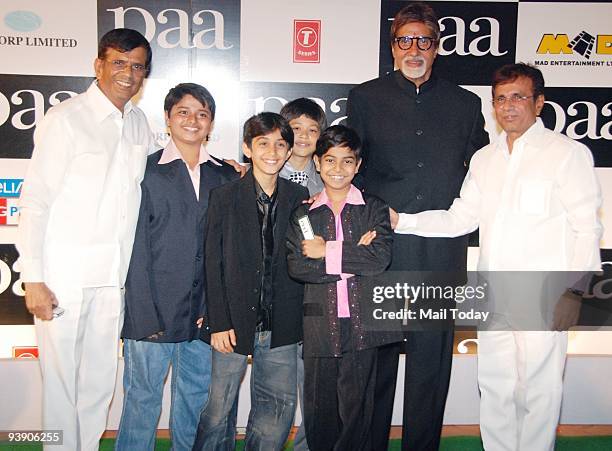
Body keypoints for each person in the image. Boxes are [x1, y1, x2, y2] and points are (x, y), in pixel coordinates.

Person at [391, 63, 602, 450]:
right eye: (501, 99)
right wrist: (400, 220)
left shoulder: (567, 154)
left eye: (519, 97)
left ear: (539, 103)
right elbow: (459, 218)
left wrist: (574, 292)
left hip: (545, 293)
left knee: (539, 389)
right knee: (494, 385)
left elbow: (587, 228)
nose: (509, 106)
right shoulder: (484, 159)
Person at [346, 2, 489, 449]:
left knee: (431, 365)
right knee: (379, 362)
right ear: (393, 47)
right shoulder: (366, 97)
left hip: (440, 252)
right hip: (383, 251)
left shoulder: (465, 104)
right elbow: (352, 166)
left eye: (423, 41)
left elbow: (484, 169)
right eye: (404, 40)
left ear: (437, 48)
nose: (414, 49)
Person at [16, 28, 155, 450]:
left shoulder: (139, 123)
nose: (127, 73)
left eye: (137, 66)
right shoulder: (66, 119)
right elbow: (36, 201)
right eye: (119, 62)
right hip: (63, 279)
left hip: (113, 279)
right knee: (59, 385)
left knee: (97, 384)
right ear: (98, 65)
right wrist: (33, 278)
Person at [115, 83, 238, 450]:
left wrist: (213, 311)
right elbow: (134, 249)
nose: (192, 120)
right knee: (142, 400)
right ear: (167, 119)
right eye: (183, 112)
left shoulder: (226, 177)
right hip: (149, 315)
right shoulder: (144, 171)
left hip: (202, 316)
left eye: (202, 113)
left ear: (211, 124)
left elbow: (225, 252)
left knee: (194, 403)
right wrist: (143, 315)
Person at [192, 112, 309, 451]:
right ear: (247, 147)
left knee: (277, 410)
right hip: (231, 324)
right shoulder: (224, 196)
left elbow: (307, 249)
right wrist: (218, 321)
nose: (272, 152)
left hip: (283, 326)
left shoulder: (298, 196)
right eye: (263, 144)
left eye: (280, 144)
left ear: (288, 151)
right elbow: (212, 263)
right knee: (217, 410)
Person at [286, 125, 400, 451]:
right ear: (318, 164)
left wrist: (329, 250)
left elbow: (378, 260)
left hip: (366, 323)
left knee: (358, 410)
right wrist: (353, 255)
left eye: (347, 161)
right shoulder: (304, 215)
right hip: (320, 323)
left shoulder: (374, 209)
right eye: (331, 161)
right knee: (319, 409)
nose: (338, 170)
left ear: (358, 165)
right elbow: (300, 266)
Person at [279, 96, 327, 450]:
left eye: (313, 129)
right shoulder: (260, 171)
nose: (304, 136)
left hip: (315, 294)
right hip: (275, 295)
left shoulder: (330, 178)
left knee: (314, 384)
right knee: (275, 390)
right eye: (296, 129)